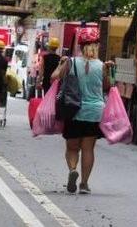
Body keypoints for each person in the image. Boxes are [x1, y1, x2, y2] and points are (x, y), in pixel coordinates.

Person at [51, 27, 112, 194]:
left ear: (80, 45)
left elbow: (54, 78)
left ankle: (72, 170)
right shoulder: (101, 66)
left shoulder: (71, 62)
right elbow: (107, 87)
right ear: (96, 45)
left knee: (72, 147)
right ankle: (84, 184)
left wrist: (61, 64)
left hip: (73, 109)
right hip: (94, 111)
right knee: (88, 148)